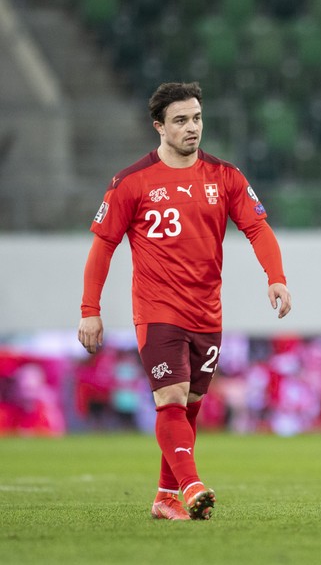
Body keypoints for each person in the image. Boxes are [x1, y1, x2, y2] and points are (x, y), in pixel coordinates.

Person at [77, 82, 292, 521]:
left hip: (206, 310)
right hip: (157, 310)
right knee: (171, 398)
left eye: (196, 118)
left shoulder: (225, 176)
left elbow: (257, 228)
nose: (192, 127)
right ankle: (191, 486)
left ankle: (164, 497)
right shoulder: (131, 182)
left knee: (190, 404)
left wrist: (276, 279)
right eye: (180, 120)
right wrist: (90, 311)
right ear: (159, 127)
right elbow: (102, 247)